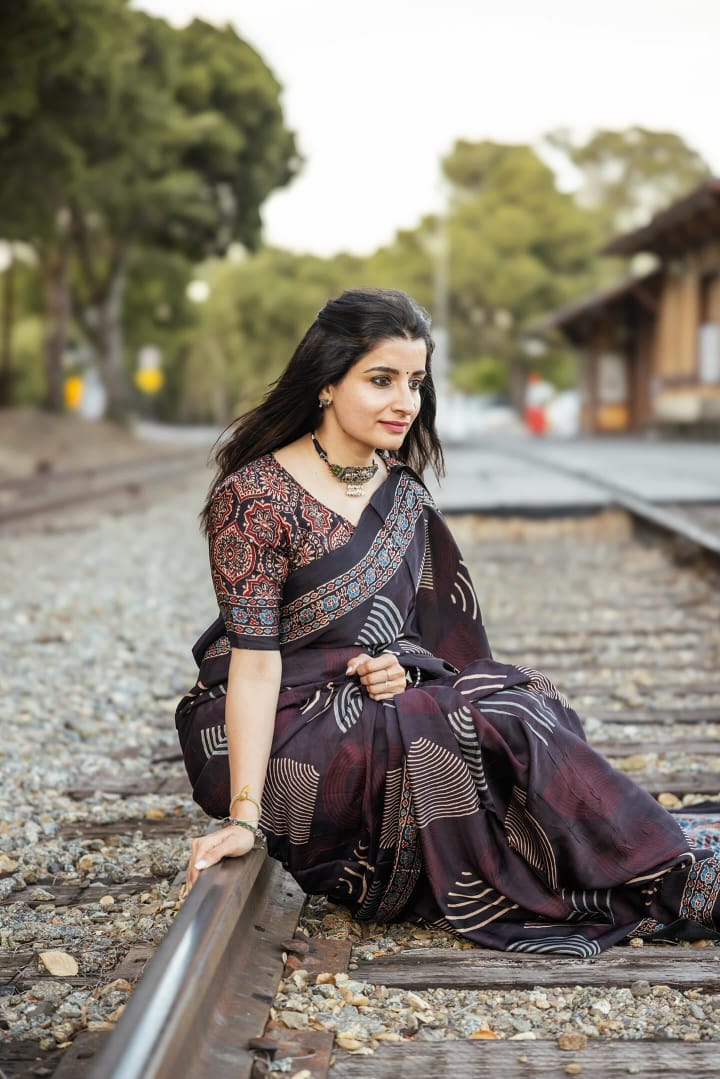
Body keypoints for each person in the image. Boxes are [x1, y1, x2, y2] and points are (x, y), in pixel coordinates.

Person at [176, 287, 719, 954]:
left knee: (517, 698)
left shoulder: (400, 491)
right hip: (286, 735)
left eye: (415, 381)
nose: (405, 401)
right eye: (381, 380)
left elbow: (429, 642)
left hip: (378, 709)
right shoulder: (254, 497)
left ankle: (643, 858)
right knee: (489, 720)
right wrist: (245, 818)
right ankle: (670, 875)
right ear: (326, 381)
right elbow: (255, 666)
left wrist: (401, 665)